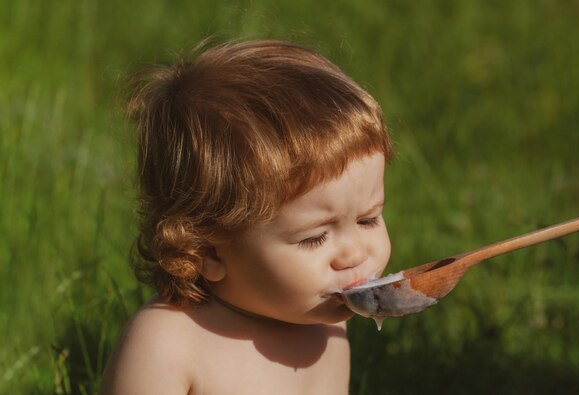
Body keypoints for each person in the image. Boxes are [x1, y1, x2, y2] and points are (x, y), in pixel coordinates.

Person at [100, 39, 393, 395]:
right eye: (314, 237)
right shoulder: (169, 345)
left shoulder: (327, 323)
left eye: (368, 219)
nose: (355, 254)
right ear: (209, 250)